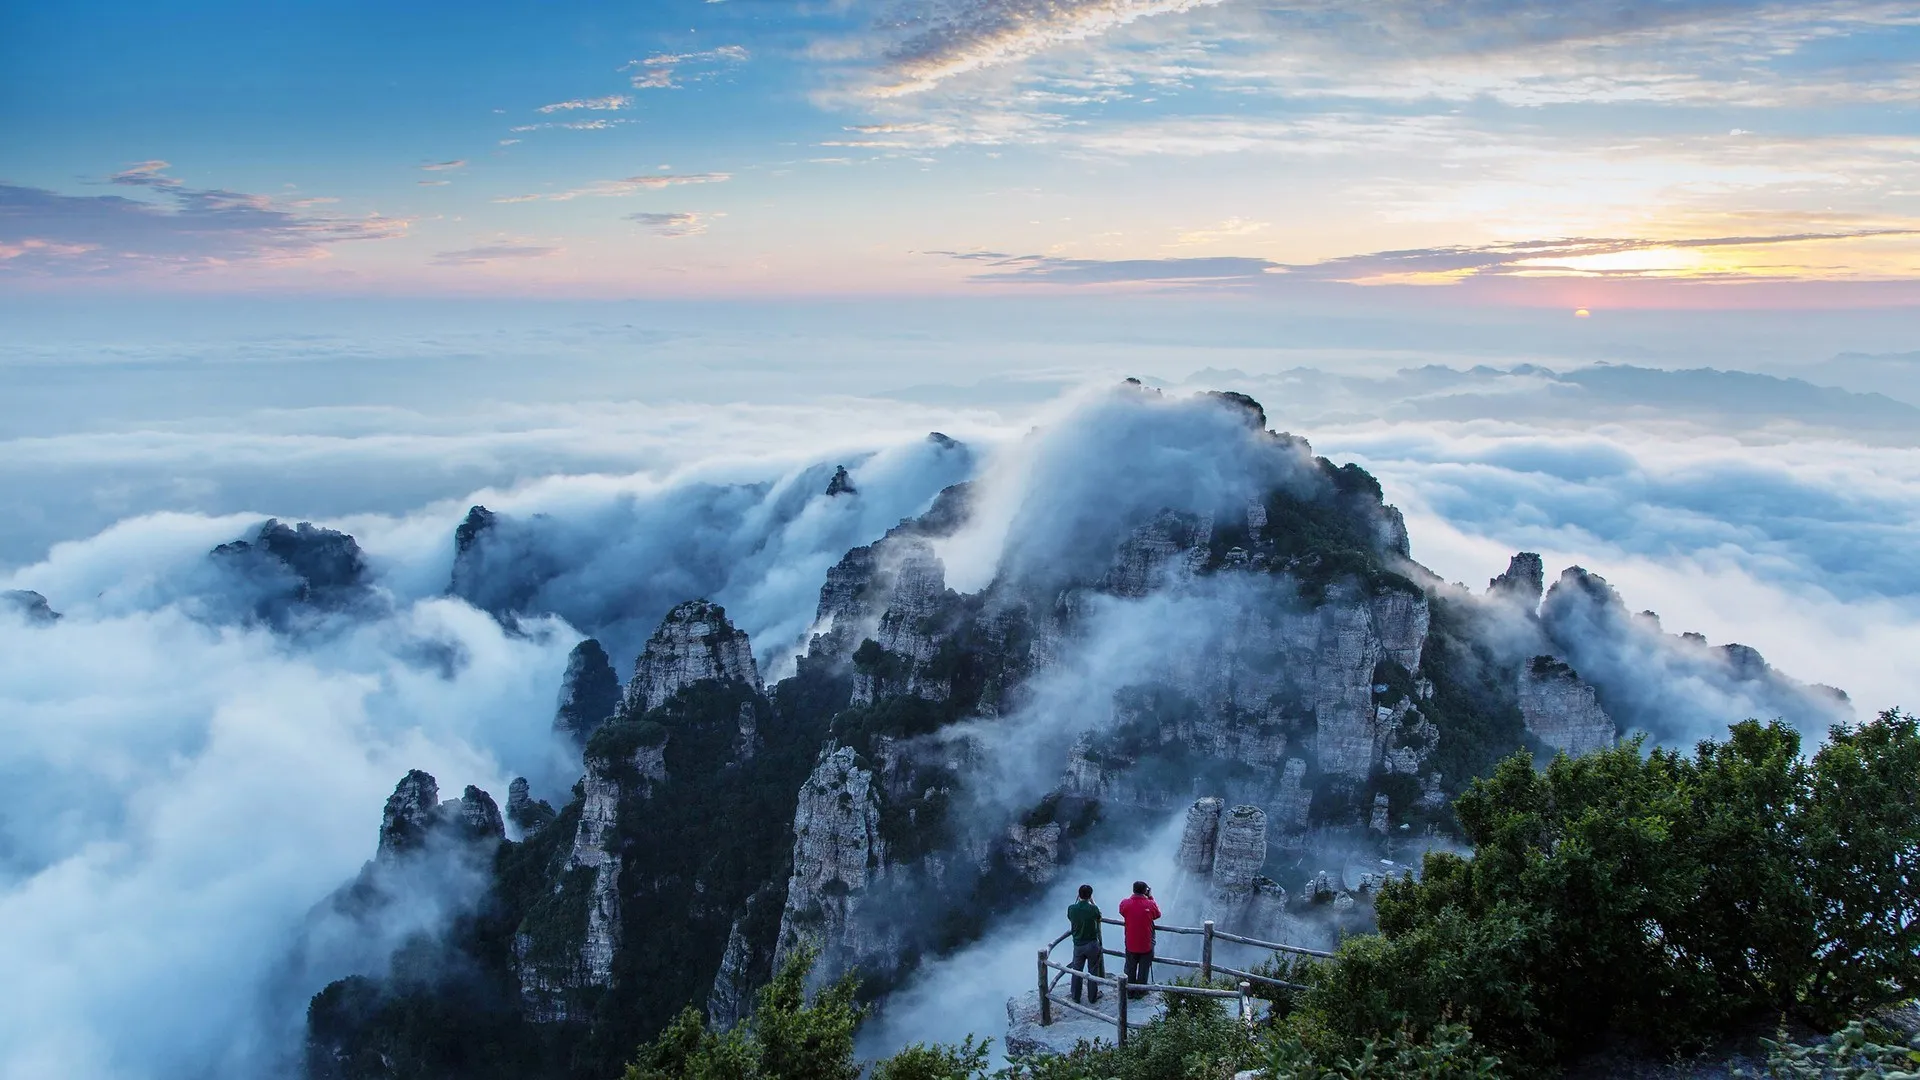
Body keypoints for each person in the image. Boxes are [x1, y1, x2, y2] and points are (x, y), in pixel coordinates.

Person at [1117, 879, 1160, 997]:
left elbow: (1122, 910)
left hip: (1130, 942)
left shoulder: (1125, 903)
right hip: (1146, 943)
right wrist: (1150, 898)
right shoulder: (1150, 904)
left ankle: (1129, 991)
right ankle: (1141, 991)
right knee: (1144, 969)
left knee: (1130, 967)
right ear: (1145, 891)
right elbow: (1157, 914)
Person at [1065, 883, 1104, 1004]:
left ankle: (1075, 996)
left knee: (1077, 970)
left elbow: (1070, 917)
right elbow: (1099, 916)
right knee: (1092, 970)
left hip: (1078, 944)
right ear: (1090, 895)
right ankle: (1092, 997)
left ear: (1078, 894)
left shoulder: (1071, 908)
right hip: (1092, 944)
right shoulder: (1093, 909)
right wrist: (1092, 902)